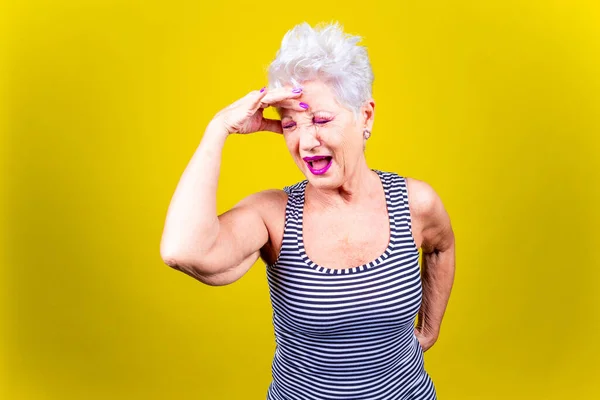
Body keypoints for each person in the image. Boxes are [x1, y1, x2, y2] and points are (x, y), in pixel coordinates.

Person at [160, 21, 455, 400]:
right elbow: (183, 251)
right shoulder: (273, 215)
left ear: (365, 116)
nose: (306, 141)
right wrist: (218, 129)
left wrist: (430, 328)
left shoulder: (416, 204)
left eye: (321, 119)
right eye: (290, 125)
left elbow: (441, 248)